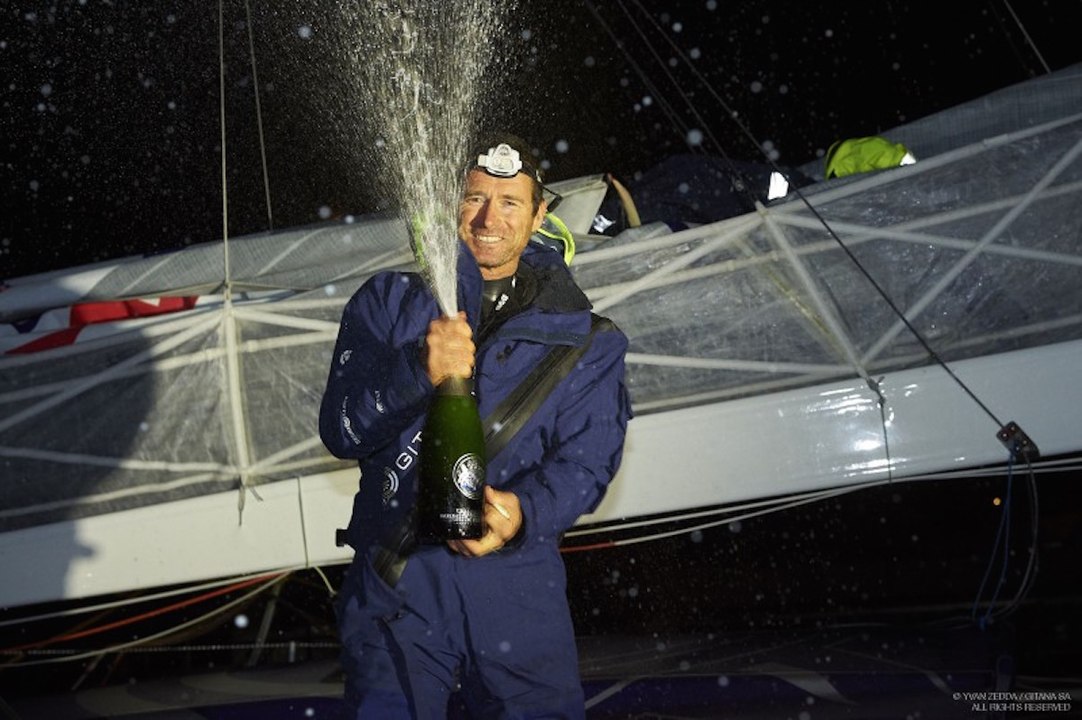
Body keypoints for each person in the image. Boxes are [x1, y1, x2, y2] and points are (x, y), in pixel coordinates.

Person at [319, 133, 632, 718]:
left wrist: (523, 512)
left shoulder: (589, 337)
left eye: (510, 202)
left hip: (518, 583)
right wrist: (419, 370)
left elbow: (586, 463)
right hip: (398, 581)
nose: (490, 218)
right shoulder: (386, 303)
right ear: (452, 207)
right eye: (474, 199)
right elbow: (342, 431)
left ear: (539, 214)